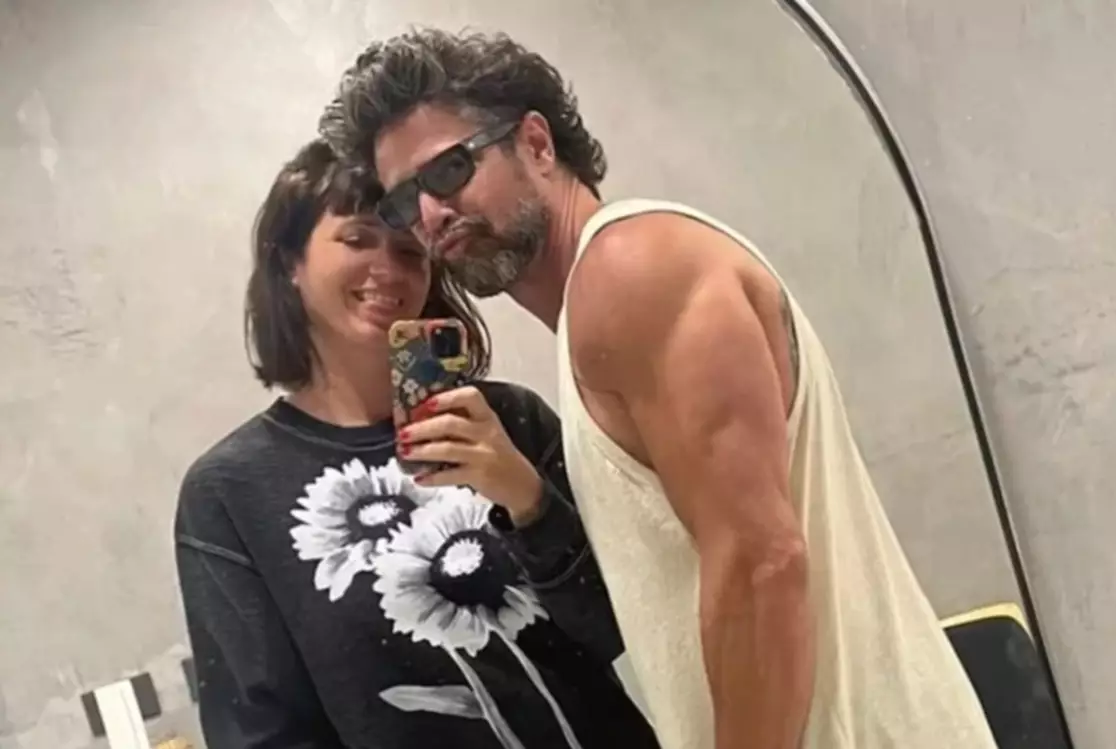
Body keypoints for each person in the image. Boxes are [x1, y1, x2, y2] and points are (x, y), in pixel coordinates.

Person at [318, 28, 1001, 749]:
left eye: (450, 169)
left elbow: (761, 566)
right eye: (402, 203)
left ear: (537, 144)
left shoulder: (631, 270)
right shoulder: (601, 300)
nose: (430, 216)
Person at [173, 139, 659, 749]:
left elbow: (627, 629)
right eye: (357, 240)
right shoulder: (230, 494)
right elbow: (260, 731)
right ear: (289, 262)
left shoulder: (511, 419)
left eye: (409, 251)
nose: (388, 269)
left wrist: (528, 501)